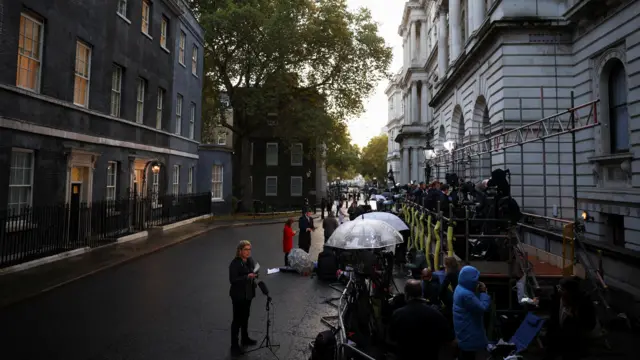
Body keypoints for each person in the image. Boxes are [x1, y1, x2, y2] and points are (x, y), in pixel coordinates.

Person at [389, 279, 456, 360]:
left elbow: (392, 337)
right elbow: (449, 338)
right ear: (421, 294)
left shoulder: (397, 314)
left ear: (406, 295)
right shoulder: (436, 314)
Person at [544, 277, 598, 360]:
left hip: (574, 344)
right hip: (555, 341)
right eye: (559, 288)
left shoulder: (584, 303)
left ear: (571, 292)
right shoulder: (557, 298)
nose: (559, 291)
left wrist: (575, 317)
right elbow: (553, 319)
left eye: (562, 289)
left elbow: (590, 324)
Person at [453, 265, 491, 360]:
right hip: (470, 334)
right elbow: (482, 308)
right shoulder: (467, 295)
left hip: (463, 331)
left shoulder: (459, 288)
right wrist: (483, 293)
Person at [229, 240, 258, 355]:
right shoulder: (235, 263)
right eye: (246, 249)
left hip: (248, 294)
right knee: (237, 320)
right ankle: (234, 346)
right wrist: (247, 277)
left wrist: (255, 273)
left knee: (246, 317)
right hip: (238, 296)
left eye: (249, 249)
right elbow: (233, 280)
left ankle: (245, 338)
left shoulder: (250, 260)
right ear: (240, 250)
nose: (248, 252)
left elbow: (253, 271)